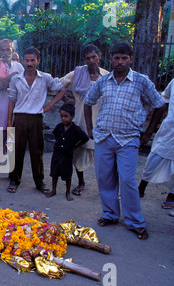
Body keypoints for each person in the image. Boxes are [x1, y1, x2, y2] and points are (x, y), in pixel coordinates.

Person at [84, 42, 166, 240]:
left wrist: (148, 133)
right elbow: (88, 102)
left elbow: (160, 105)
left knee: (128, 181)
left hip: (128, 139)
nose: (120, 62)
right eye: (116, 58)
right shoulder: (104, 81)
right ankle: (110, 214)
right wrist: (90, 129)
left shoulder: (141, 81)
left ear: (130, 59)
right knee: (105, 179)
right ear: (111, 59)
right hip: (104, 136)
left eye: (124, 58)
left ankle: (135, 221)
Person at [7, 47, 66, 194]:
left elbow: (62, 89)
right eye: (27, 60)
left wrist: (50, 105)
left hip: (37, 118)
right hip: (19, 118)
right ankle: (14, 180)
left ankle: (39, 182)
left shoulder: (45, 78)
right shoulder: (16, 79)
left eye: (33, 60)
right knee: (16, 151)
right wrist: (9, 121)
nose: (29, 63)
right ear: (23, 61)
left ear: (38, 61)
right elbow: (11, 101)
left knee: (37, 151)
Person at [61, 44, 109, 195]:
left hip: (101, 121)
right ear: (84, 59)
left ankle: (107, 187)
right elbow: (57, 85)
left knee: (103, 157)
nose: (91, 60)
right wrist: (65, 99)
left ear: (99, 57)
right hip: (81, 119)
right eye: (88, 58)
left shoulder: (107, 76)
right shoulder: (77, 74)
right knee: (78, 153)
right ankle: (81, 182)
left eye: (94, 57)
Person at [138, 57, 174, 211]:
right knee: (154, 157)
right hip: (168, 128)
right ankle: (142, 187)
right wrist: (150, 131)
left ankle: (171, 195)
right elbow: (162, 103)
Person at [0, 39, 24, 183]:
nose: (5, 52)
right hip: (0, 108)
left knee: (12, 140)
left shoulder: (19, 66)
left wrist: (5, 82)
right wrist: (8, 78)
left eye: (8, 49)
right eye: (2, 50)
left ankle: (11, 172)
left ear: (12, 51)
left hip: (16, 109)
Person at [46, 103, 89, 201]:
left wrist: (75, 146)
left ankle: (67, 192)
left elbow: (85, 138)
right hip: (57, 154)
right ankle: (53, 190)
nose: (63, 118)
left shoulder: (75, 129)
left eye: (66, 116)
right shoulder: (59, 127)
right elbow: (55, 134)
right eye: (61, 116)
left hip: (67, 155)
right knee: (54, 173)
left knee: (67, 175)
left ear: (72, 116)